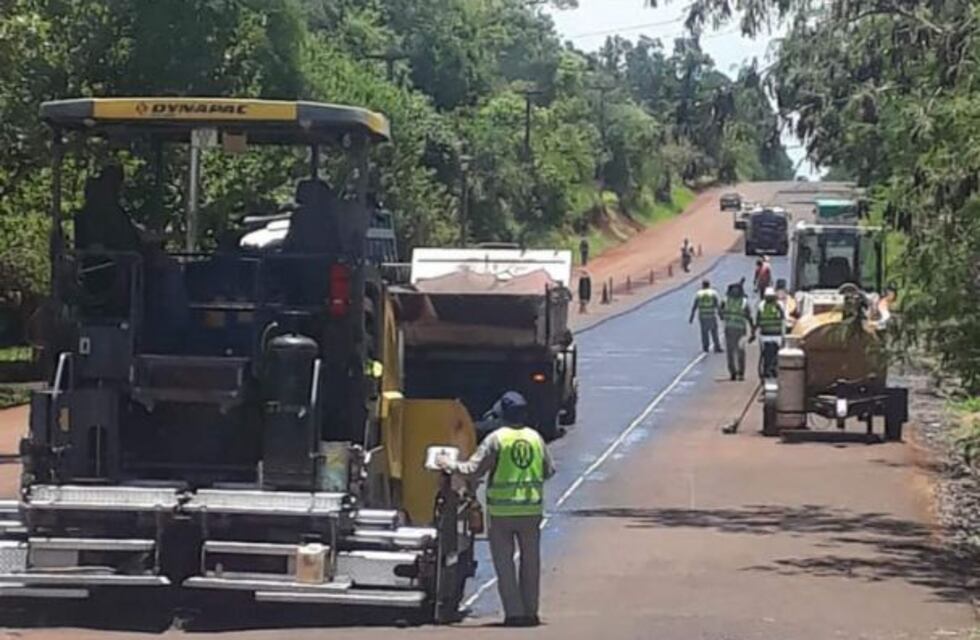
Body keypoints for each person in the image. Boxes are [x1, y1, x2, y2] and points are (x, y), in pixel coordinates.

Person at [438, 391, 555, 627]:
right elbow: (548, 470)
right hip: (531, 510)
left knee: (505, 565)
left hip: (502, 513)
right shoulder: (535, 438)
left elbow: (472, 469)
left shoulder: (496, 439)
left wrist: (448, 464)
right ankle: (531, 612)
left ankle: (514, 614)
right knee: (531, 563)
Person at [720, 279, 754, 380]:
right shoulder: (732, 301)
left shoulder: (730, 301)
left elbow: (749, 316)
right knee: (735, 352)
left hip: (736, 330)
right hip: (734, 330)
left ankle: (737, 373)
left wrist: (753, 330)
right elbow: (749, 317)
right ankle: (736, 373)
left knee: (737, 352)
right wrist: (753, 331)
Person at [754, 287, 785, 378]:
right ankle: (773, 369)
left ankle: (767, 370)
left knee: (765, 354)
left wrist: (754, 331)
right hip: (776, 335)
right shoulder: (779, 305)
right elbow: (783, 319)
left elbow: (758, 320)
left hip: (765, 335)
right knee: (776, 354)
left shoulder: (761, 305)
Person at [689, 279, 723, 353]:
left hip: (702, 316)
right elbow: (717, 305)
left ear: (703, 285)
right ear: (709, 285)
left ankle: (705, 347)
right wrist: (721, 315)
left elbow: (695, 306)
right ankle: (717, 346)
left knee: (704, 332)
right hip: (711, 315)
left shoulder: (699, 294)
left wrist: (691, 317)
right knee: (714, 332)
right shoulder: (713, 293)